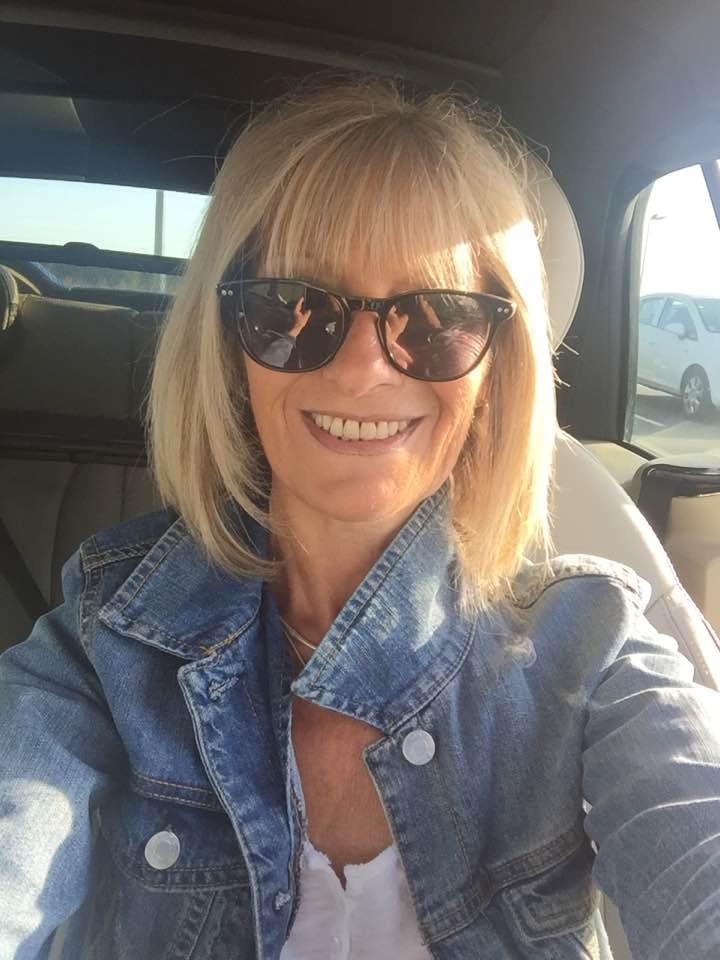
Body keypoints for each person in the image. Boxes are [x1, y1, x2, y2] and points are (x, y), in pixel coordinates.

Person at [1, 77, 719, 960]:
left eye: (437, 317)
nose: (362, 369)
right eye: (295, 308)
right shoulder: (108, 640)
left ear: (496, 367)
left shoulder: (593, 647)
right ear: (230, 345)